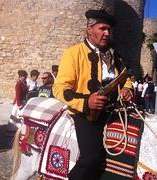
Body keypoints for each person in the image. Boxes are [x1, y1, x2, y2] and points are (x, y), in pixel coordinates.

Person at [53, 9, 133, 180]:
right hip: (86, 115)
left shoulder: (115, 56)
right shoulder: (73, 53)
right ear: (89, 30)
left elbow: (125, 78)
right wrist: (86, 102)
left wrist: (127, 89)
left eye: (109, 30)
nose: (107, 33)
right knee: (91, 158)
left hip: (114, 112)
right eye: (102, 28)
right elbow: (59, 88)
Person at [6, 70, 28, 136]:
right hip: (19, 103)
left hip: (22, 101)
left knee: (19, 117)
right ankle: (14, 131)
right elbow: (18, 95)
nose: (25, 78)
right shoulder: (19, 84)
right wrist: (19, 105)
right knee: (17, 117)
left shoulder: (23, 82)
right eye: (24, 76)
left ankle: (19, 131)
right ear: (21, 76)